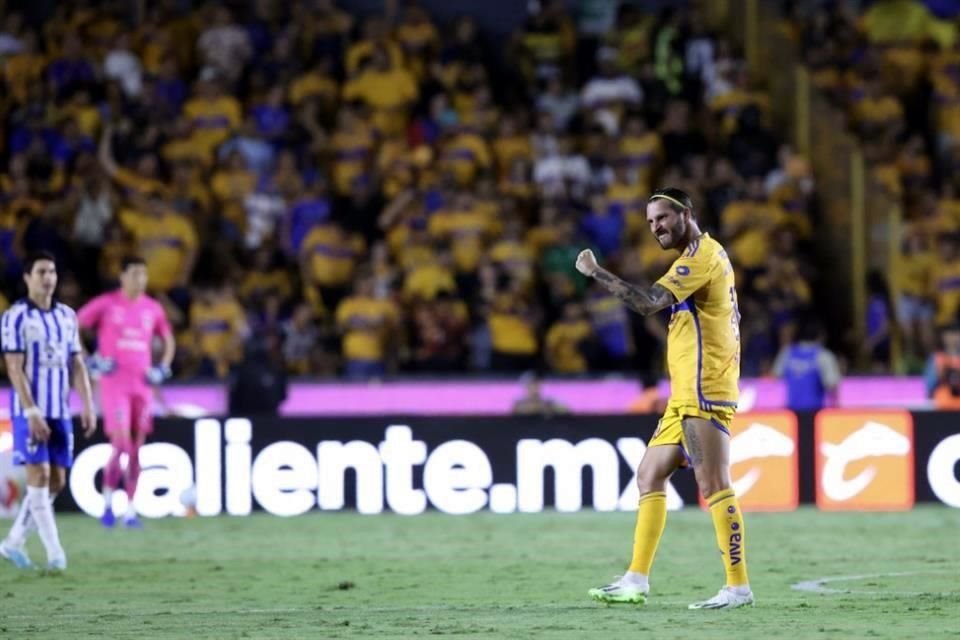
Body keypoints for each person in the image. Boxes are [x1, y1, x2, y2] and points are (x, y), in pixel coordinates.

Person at [576, 187, 753, 610]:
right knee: (649, 474)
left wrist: (597, 273)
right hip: (684, 392)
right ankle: (636, 579)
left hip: (704, 389)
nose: (656, 227)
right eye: (651, 221)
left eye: (663, 218)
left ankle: (738, 586)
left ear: (686, 214)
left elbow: (649, 303)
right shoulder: (698, 258)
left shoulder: (700, 257)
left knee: (713, 484)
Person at [0, 251, 96, 571]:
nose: (48, 277)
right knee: (38, 476)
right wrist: (31, 411)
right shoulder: (15, 316)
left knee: (56, 481)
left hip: (60, 409)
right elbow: (14, 367)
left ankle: (13, 542)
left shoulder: (67, 316)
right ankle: (56, 554)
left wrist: (88, 404)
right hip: (30, 411)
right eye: (41, 271)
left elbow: (77, 363)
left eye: (52, 271)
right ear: (27, 278)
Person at [77, 256, 175, 528]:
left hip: (141, 386)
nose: (140, 279)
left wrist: (163, 367)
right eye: (134, 273)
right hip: (115, 385)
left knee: (136, 450)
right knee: (120, 445)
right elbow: (73, 324)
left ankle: (130, 510)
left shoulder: (152, 308)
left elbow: (168, 339)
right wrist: (88, 358)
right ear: (122, 277)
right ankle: (108, 505)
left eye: (143, 274)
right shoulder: (107, 304)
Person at [772, 317, 841, 412]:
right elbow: (832, 384)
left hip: (790, 412)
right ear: (820, 336)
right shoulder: (823, 355)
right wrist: (835, 406)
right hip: (815, 411)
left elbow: (775, 376)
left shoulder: (787, 352)